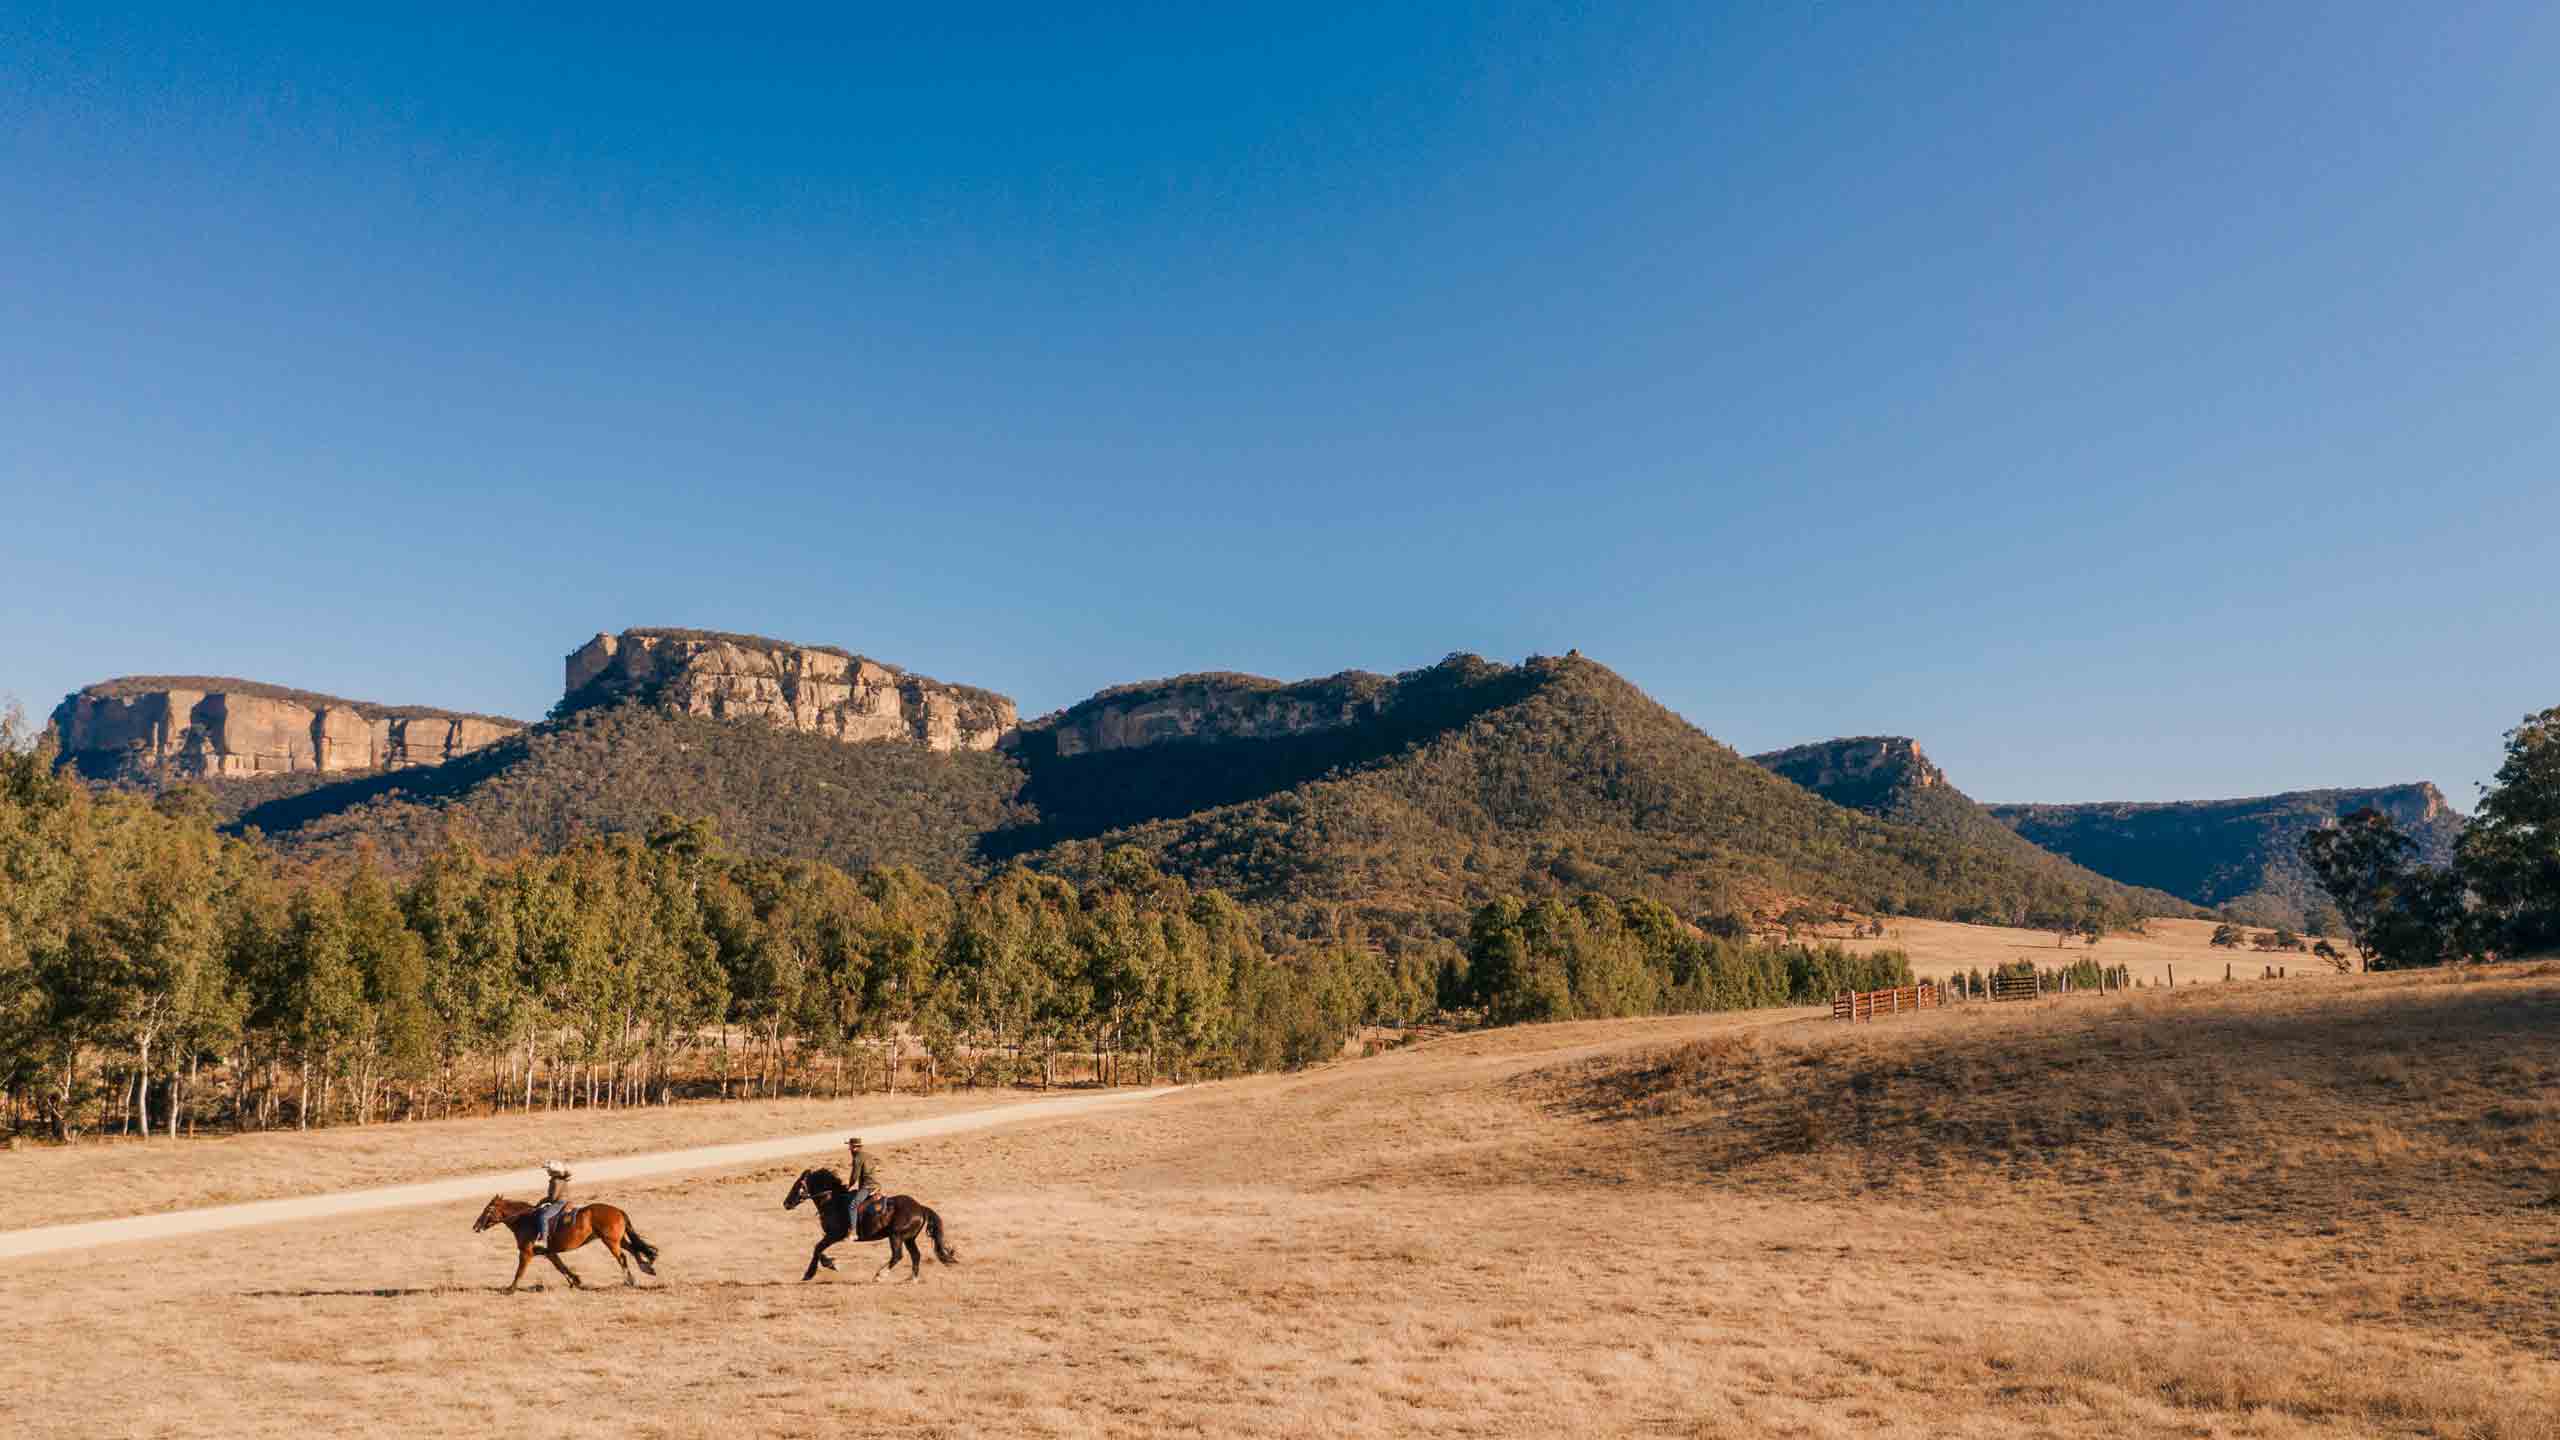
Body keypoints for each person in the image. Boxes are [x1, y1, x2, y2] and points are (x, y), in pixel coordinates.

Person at [529, 1161, 573, 1251]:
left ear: (553, 1171)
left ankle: (543, 1240)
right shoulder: (561, 1179)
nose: (547, 1172)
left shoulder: (556, 1181)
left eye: (548, 1170)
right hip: (564, 1201)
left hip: (559, 1203)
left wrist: (542, 1201)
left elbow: (553, 1197)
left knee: (543, 1217)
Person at [845, 1137, 882, 1225]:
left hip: (867, 1187)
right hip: (875, 1185)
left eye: (849, 1146)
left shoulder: (857, 1158)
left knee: (852, 1206)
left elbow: (854, 1176)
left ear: (854, 1147)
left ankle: (853, 1231)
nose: (849, 1148)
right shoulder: (868, 1155)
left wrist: (849, 1185)